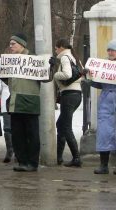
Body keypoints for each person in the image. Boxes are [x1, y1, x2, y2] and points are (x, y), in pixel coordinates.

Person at [8, 33, 41, 172]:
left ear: (22, 45)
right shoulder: (9, 61)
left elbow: (46, 78)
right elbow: (8, 81)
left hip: (29, 102)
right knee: (17, 134)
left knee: (31, 134)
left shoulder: (33, 59)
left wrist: (50, 67)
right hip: (15, 102)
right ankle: (22, 161)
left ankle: (32, 163)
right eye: (10, 44)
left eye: (13, 44)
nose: (10, 47)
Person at [54, 38, 82, 167]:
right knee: (60, 124)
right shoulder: (74, 57)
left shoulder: (65, 57)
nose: (55, 50)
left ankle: (76, 158)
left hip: (69, 95)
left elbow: (67, 74)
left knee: (65, 126)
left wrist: (55, 75)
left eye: (56, 47)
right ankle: (59, 157)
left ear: (61, 47)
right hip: (76, 95)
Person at [93, 39, 116, 174]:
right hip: (106, 103)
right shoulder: (103, 66)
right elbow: (98, 84)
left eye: (112, 50)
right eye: (108, 50)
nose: (110, 52)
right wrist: (90, 78)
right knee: (104, 134)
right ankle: (103, 165)